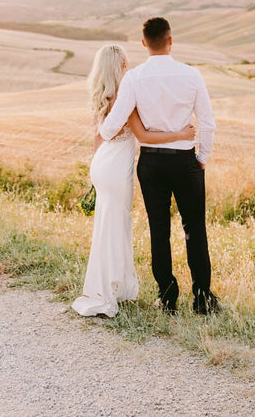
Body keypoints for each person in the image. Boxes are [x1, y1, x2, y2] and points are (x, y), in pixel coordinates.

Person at [100, 17, 219, 315]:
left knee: (159, 229)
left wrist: (102, 132)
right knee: (195, 229)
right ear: (170, 40)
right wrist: (201, 157)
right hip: (185, 161)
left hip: (152, 163)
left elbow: (112, 125)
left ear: (143, 43)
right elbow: (207, 122)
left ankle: (167, 297)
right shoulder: (191, 75)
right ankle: (203, 297)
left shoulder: (135, 78)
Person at [72, 44, 195, 318]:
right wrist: (180, 133)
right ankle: (109, 293)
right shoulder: (123, 97)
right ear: (119, 67)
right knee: (116, 226)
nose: (129, 68)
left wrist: (94, 174)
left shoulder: (102, 97)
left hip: (102, 164)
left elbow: (97, 137)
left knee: (108, 226)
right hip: (116, 169)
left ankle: (113, 287)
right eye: (126, 64)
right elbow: (144, 136)